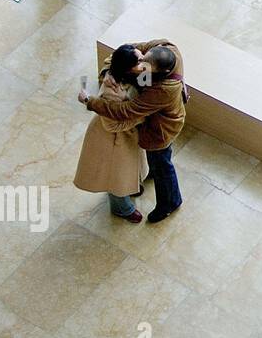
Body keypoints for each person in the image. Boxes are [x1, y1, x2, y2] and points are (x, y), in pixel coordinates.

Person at [79, 39, 187, 224]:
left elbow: (126, 111)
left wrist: (90, 101)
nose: (141, 67)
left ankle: (170, 202)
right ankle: (125, 203)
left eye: (144, 66)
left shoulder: (162, 90)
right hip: (120, 135)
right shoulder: (164, 49)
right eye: (140, 61)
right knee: (116, 173)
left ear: (159, 72)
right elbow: (121, 53)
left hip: (160, 130)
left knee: (161, 163)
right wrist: (108, 72)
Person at [73, 44, 150, 223]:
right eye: (139, 60)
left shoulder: (138, 72)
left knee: (129, 168)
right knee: (115, 177)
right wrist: (140, 117)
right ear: (127, 67)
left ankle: (131, 187)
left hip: (128, 136)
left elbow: (145, 91)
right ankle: (121, 208)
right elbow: (113, 125)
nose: (144, 62)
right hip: (112, 139)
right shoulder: (110, 92)